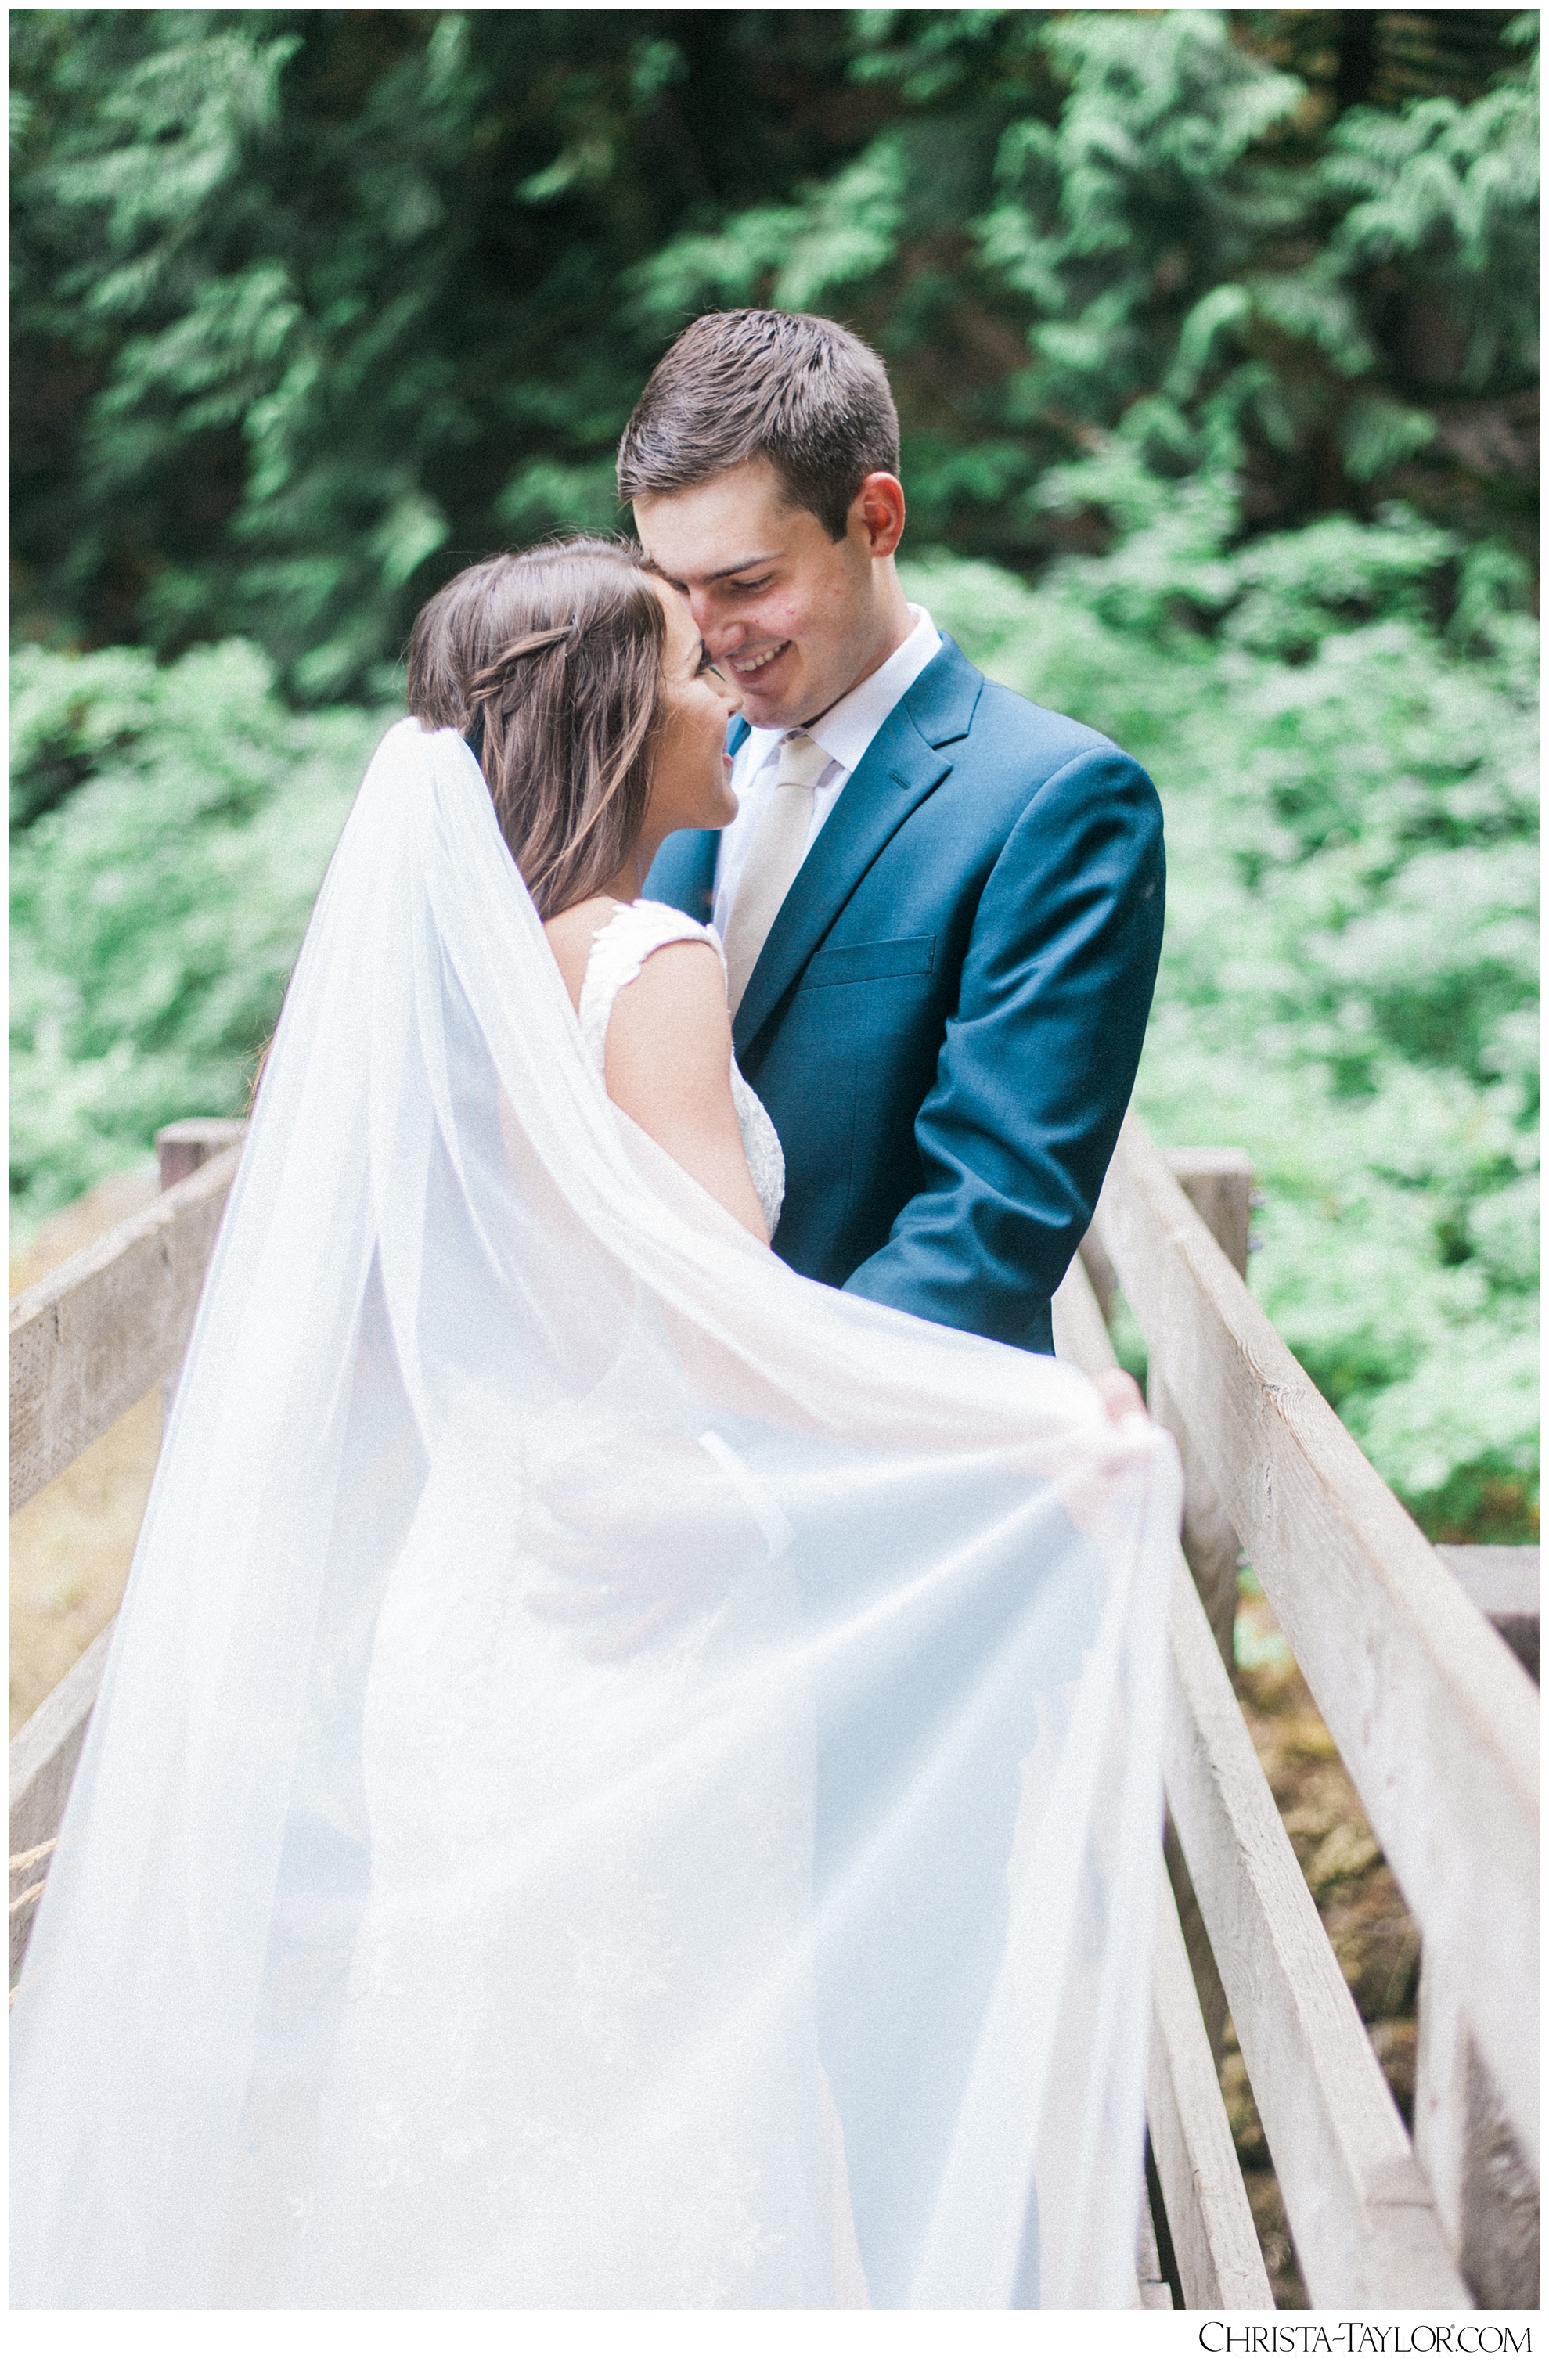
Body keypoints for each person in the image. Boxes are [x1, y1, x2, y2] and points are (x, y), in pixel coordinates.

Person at [10, 539, 1177, 2313]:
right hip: (637, 1616)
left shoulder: (452, 1000)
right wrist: (1023, 1423)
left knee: (471, 2102)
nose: (720, 675)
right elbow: (723, 1331)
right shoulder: (649, 958)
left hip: (471, 1612)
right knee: (667, 2111)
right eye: (684, 665)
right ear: (621, 725)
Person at [622, 308, 1166, 1360]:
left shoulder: (1056, 803)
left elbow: (987, 1226)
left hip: (886, 1457)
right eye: (674, 587)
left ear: (874, 519)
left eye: (746, 583)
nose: (707, 635)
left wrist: (772, 1416)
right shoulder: (662, 774)